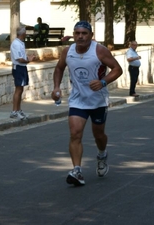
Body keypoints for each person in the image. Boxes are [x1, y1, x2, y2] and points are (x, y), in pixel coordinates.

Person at [52, 21, 123, 186]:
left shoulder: (99, 50)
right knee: (75, 133)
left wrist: (103, 82)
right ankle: (77, 170)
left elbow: (117, 69)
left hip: (98, 100)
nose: (80, 36)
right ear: (74, 34)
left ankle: (102, 154)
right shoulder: (67, 52)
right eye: (77, 33)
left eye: (84, 33)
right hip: (78, 99)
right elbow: (59, 68)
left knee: (99, 135)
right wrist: (56, 87)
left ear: (91, 35)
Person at [10, 27, 36, 120]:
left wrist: (27, 58)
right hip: (18, 67)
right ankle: (14, 111)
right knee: (18, 89)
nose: (26, 34)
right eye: (25, 32)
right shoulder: (16, 44)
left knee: (21, 89)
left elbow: (22, 57)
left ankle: (18, 110)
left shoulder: (21, 43)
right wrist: (28, 60)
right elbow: (19, 59)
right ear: (22, 33)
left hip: (22, 67)